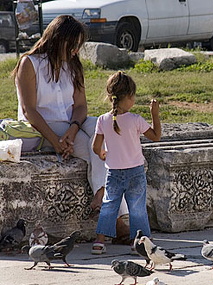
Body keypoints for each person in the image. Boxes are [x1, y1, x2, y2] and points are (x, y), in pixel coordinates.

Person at [11, 15, 128, 234]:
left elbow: (81, 106)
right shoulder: (30, 63)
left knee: (105, 128)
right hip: (39, 128)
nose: (76, 50)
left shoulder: (73, 66)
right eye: (73, 44)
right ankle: (116, 218)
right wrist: (56, 141)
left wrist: (73, 130)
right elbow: (29, 110)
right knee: (97, 145)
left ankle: (102, 194)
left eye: (78, 46)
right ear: (58, 39)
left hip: (71, 126)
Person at [91, 71, 161, 254]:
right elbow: (156, 136)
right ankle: (139, 241)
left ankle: (99, 242)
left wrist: (102, 154)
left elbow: (95, 147)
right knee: (137, 208)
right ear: (129, 96)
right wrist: (155, 114)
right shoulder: (135, 119)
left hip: (113, 173)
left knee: (109, 206)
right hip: (135, 172)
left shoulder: (102, 120)